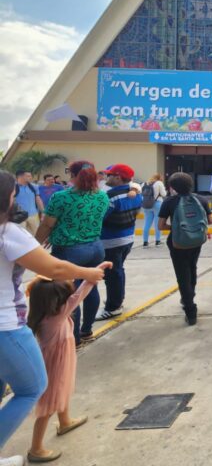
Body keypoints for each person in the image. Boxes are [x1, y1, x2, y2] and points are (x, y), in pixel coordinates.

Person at [0, 169, 105, 466]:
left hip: (66, 252)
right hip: (6, 324)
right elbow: (56, 269)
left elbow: (48, 227)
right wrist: (89, 273)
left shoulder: (60, 199)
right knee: (33, 387)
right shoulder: (8, 232)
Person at [26, 274, 107, 463]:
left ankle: (65, 421)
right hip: (55, 365)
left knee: (61, 391)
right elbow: (78, 296)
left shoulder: (43, 315)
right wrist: (92, 276)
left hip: (57, 362)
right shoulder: (55, 318)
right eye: (63, 298)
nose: (67, 301)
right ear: (55, 302)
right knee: (49, 406)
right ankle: (36, 449)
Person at [36, 161, 109, 346]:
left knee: (69, 293)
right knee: (90, 288)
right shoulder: (101, 196)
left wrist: (36, 245)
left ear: (73, 175)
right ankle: (87, 331)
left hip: (70, 250)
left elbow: (47, 224)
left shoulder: (61, 197)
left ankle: (73, 337)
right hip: (95, 247)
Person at [158, 172, 212, 326]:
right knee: (192, 267)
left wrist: (177, 228)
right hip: (197, 241)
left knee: (182, 274)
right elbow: (211, 220)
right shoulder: (201, 199)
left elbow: (161, 226)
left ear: (172, 187)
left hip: (177, 242)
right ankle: (191, 293)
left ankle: (190, 309)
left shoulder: (170, 202)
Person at [95, 164, 143, 321]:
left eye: (110, 175)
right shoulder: (135, 194)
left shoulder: (111, 197)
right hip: (127, 238)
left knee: (113, 274)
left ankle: (113, 307)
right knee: (118, 270)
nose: (107, 178)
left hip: (111, 240)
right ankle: (117, 301)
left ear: (118, 177)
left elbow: (99, 217)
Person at [14, 171, 43, 236]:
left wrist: (43, 212)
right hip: (19, 216)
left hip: (33, 215)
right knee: (21, 236)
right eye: (28, 176)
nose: (31, 177)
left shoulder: (34, 186)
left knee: (37, 234)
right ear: (20, 177)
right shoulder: (13, 187)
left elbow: (38, 199)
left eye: (30, 176)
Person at [141, 173, 167, 247]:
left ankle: (145, 242)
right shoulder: (159, 183)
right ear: (160, 178)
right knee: (157, 223)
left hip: (146, 204)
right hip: (157, 204)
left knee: (146, 223)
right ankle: (158, 241)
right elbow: (164, 194)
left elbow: (141, 194)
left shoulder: (144, 183)